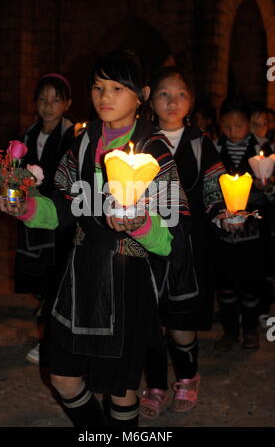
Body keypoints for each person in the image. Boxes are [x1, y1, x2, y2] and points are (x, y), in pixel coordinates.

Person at [0, 50, 191, 428]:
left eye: (117, 88)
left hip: (128, 276)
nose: (105, 96)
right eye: (99, 87)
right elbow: (63, 207)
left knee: (119, 389)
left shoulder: (156, 151)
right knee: (63, 378)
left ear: (142, 95)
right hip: (81, 272)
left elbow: (171, 239)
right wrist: (27, 209)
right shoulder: (82, 144)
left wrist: (138, 224)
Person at [140, 66, 228, 418]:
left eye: (180, 94)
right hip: (147, 242)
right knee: (150, 320)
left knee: (180, 320)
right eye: (164, 93)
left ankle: (188, 377)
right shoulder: (143, 141)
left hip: (187, 247)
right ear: (149, 98)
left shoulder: (198, 143)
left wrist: (224, 211)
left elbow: (214, 186)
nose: (172, 101)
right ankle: (157, 384)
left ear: (190, 101)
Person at [14, 73, 75, 364]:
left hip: (60, 218)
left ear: (67, 103)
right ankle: (47, 329)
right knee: (40, 277)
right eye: (42, 99)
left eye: (56, 100)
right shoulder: (28, 135)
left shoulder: (73, 135)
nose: (48, 106)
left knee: (58, 278)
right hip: (33, 214)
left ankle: (50, 341)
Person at [214, 94, 274, 351]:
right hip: (224, 232)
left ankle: (249, 330)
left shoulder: (265, 150)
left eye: (238, 125)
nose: (232, 131)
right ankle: (229, 332)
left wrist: (267, 187)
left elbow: (271, 194)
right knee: (226, 283)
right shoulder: (216, 149)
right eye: (227, 126)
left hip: (254, 230)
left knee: (251, 282)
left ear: (249, 123)